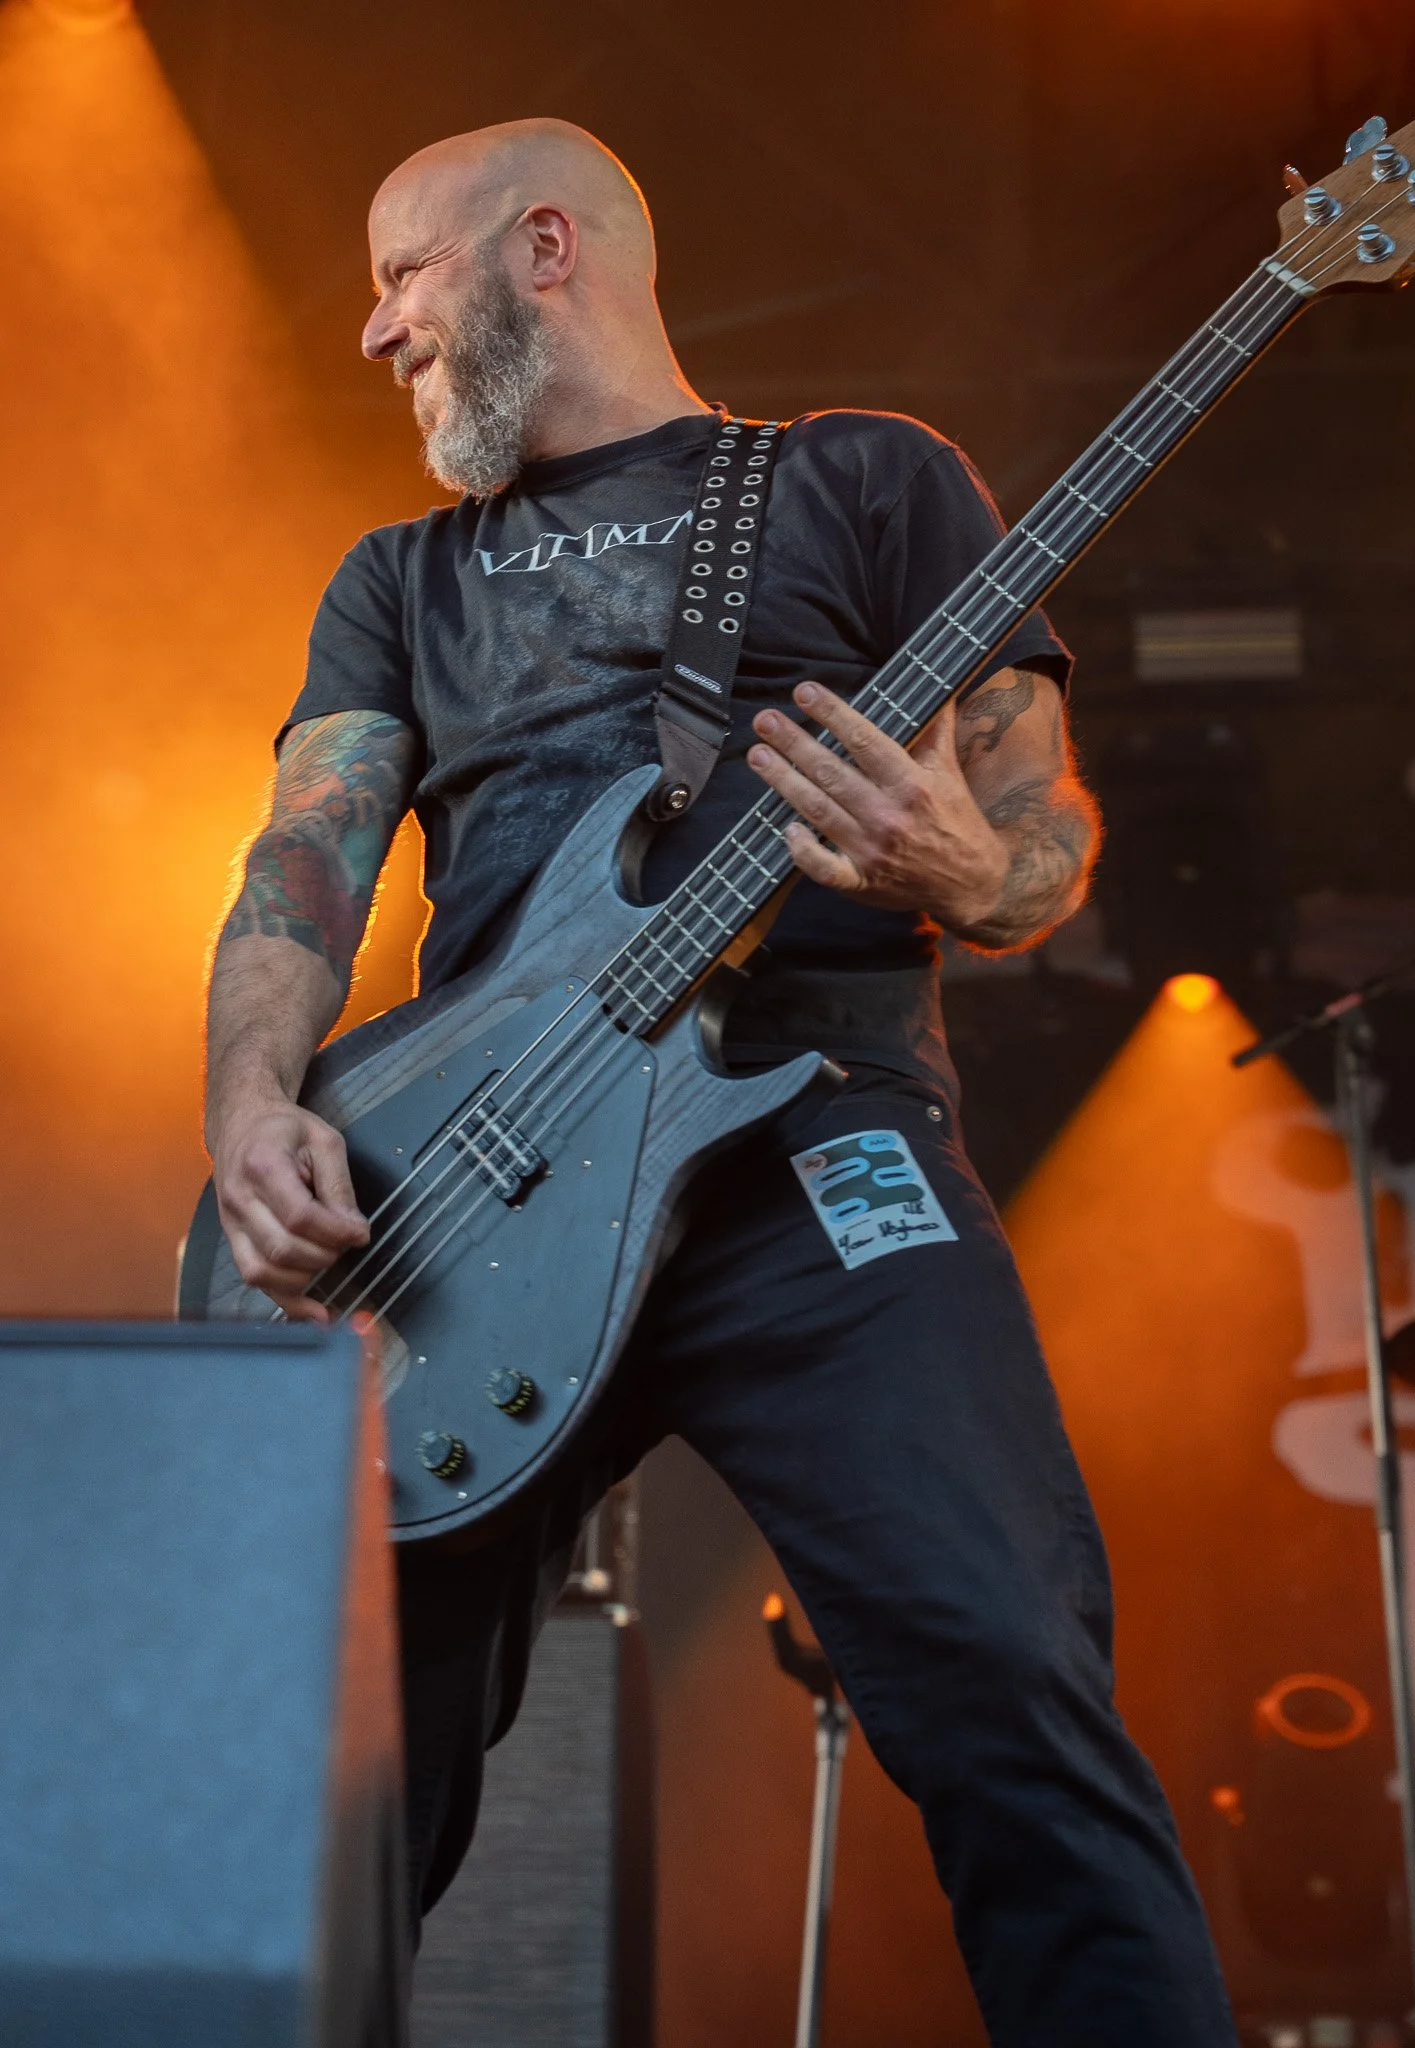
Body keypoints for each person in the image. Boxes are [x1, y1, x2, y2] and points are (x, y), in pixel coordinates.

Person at [203, 118, 1236, 2045]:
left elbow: (1037, 830)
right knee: (323, 1767)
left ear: (539, 250)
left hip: (810, 1150)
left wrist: (966, 872)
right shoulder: (400, 575)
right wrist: (253, 1106)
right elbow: (306, 858)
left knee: (1002, 1669)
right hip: (465, 1204)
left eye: (398, 275)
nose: (371, 333)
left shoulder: (863, 479)